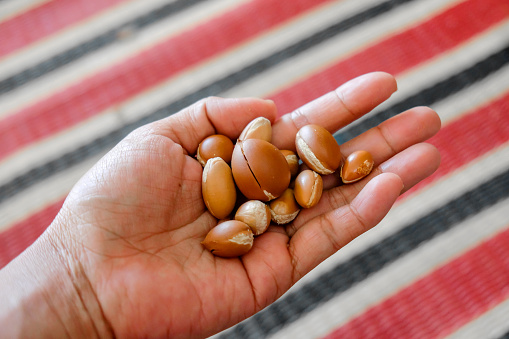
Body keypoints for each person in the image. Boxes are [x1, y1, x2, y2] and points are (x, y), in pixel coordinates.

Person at [0, 72, 441, 338]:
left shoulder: (264, 172)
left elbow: (273, 179)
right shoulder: (248, 176)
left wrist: (73, 283)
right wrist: (73, 277)